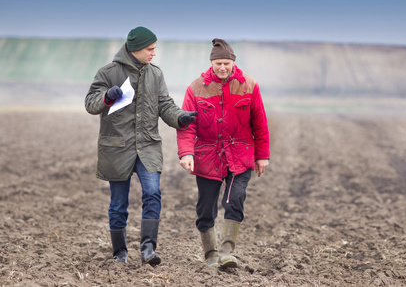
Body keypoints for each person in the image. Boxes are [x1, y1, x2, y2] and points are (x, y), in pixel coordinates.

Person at [85, 26, 197, 265]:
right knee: (118, 204)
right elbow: (90, 104)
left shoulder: (156, 74)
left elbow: (165, 104)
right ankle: (120, 254)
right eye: (150, 49)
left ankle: (148, 250)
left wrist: (180, 118)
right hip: (117, 148)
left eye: (155, 48)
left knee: (153, 193)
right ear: (135, 49)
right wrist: (107, 96)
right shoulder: (108, 72)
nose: (154, 53)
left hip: (148, 147)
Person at [177, 38, 270, 268]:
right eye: (218, 63)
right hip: (207, 156)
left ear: (232, 63)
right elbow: (187, 125)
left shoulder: (249, 85)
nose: (222, 67)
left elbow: (259, 123)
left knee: (235, 199)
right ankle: (211, 254)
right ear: (211, 63)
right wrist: (186, 153)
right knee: (205, 208)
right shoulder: (196, 88)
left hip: (240, 153)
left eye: (226, 63)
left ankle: (227, 251)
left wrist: (262, 155)